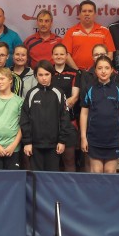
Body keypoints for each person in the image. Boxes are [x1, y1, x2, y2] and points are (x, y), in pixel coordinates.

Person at [21, 60, 73, 171]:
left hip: (54, 145)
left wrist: (62, 141)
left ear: (52, 75)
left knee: (51, 177)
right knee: (36, 176)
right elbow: (24, 119)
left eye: (46, 74)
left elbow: (65, 118)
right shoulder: (31, 94)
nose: (44, 78)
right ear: (36, 76)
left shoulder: (59, 93)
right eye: (40, 75)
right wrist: (27, 142)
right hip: (34, 145)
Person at [79, 55, 119, 173]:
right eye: (100, 68)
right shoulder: (89, 88)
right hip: (94, 138)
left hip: (113, 138)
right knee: (96, 171)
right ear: (95, 71)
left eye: (106, 68)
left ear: (112, 70)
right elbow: (84, 113)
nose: (103, 71)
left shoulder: (118, 88)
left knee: (110, 172)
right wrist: (83, 137)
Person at [51, 43, 81, 172]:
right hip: (49, 123)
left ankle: (70, 185)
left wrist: (53, 106)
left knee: (69, 160)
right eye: (56, 54)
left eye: (62, 54)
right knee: (52, 161)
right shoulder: (47, 72)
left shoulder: (74, 73)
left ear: (67, 55)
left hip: (69, 122)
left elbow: (73, 99)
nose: (59, 56)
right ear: (52, 56)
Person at [62, 0, 115, 70]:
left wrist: (100, 69)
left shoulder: (104, 31)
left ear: (95, 14)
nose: (87, 14)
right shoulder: (71, 32)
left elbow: (110, 55)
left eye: (90, 11)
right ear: (79, 14)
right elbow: (66, 55)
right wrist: (77, 71)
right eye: (84, 11)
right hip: (77, 72)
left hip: (98, 72)